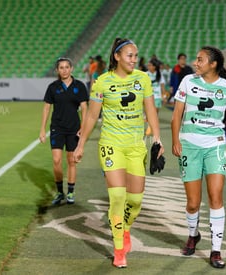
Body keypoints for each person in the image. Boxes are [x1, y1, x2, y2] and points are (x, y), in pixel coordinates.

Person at [73, 38, 164, 268]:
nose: (134, 59)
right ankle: (118, 249)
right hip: (111, 144)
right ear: (117, 56)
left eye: (135, 55)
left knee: (135, 201)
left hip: (136, 146)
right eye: (129, 55)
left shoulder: (142, 79)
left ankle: (125, 229)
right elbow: (92, 116)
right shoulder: (101, 82)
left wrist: (157, 138)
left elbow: (150, 108)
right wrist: (81, 143)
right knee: (117, 197)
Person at [171, 46, 226, 269]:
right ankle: (193, 235)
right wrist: (176, 140)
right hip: (190, 146)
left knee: (216, 197)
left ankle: (216, 250)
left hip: (216, 146)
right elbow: (177, 116)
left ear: (213, 64)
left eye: (200, 59)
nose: (196, 62)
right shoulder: (187, 82)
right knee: (193, 203)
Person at [39, 57, 88, 205]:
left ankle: (71, 192)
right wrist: (42, 129)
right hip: (57, 128)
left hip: (74, 129)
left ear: (71, 69)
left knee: (72, 161)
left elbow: (85, 108)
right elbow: (47, 108)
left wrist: (83, 127)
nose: (64, 70)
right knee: (56, 160)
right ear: (57, 70)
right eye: (61, 68)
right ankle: (60, 192)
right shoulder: (53, 87)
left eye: (67, 67)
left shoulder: (79, 86)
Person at [145, 58, 165, 135]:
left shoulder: (159, 75)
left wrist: (163, 95)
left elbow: (162, 85)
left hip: (157, 96)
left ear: (154, 67)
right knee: (149, 113)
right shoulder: (145, 74)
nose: (148, 66)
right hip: (148, 97)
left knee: (155, 113)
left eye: (150, 65)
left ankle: (151, 127)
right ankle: (150, 126)